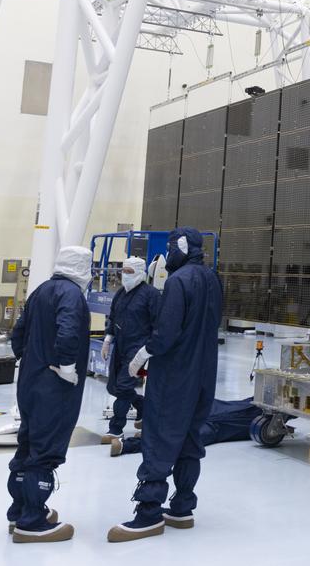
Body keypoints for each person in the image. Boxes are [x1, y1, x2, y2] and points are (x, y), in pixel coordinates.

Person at [108, 228, 223, 543]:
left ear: (182, 248)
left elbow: (167, 331)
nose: (168, 252)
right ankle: (182, 506)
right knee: (189, 438)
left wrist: (145, 353)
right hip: (204, 373)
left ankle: (148, 513)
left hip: (175, 375)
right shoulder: (213, 279)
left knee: (159, 436)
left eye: (172, 247)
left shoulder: (177, 282)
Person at [6, 245, 93, 543]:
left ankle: (18, 510)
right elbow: (68, 332)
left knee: (28, 444)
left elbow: (17, 333)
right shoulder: (71, 295)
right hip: (53, 385)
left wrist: (29, 360)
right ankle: (32, 521)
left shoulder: (41, 290)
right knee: (44, 451)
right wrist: (66, 367)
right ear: (83, 267)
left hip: (30, 381)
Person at [101, 256, 161, 444]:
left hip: (138, 348)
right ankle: (142, 406)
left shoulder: (151, 295)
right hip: (121, 345)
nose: (125, 275)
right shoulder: (120, 293)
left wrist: (148, 350)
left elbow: (158, 324)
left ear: (140, 273)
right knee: (113, 386)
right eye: (123, 271)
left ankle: (115, 429)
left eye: (129, 272)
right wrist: (108, 338)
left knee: (123, 385)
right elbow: (113, 316)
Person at [110, 399, 267, 457]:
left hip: (216, 426)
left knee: (183, 440)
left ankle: (130, 444)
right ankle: (155, 422)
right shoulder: (261, 401)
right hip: (215, 410)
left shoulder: (270, 425)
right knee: (183, 407)